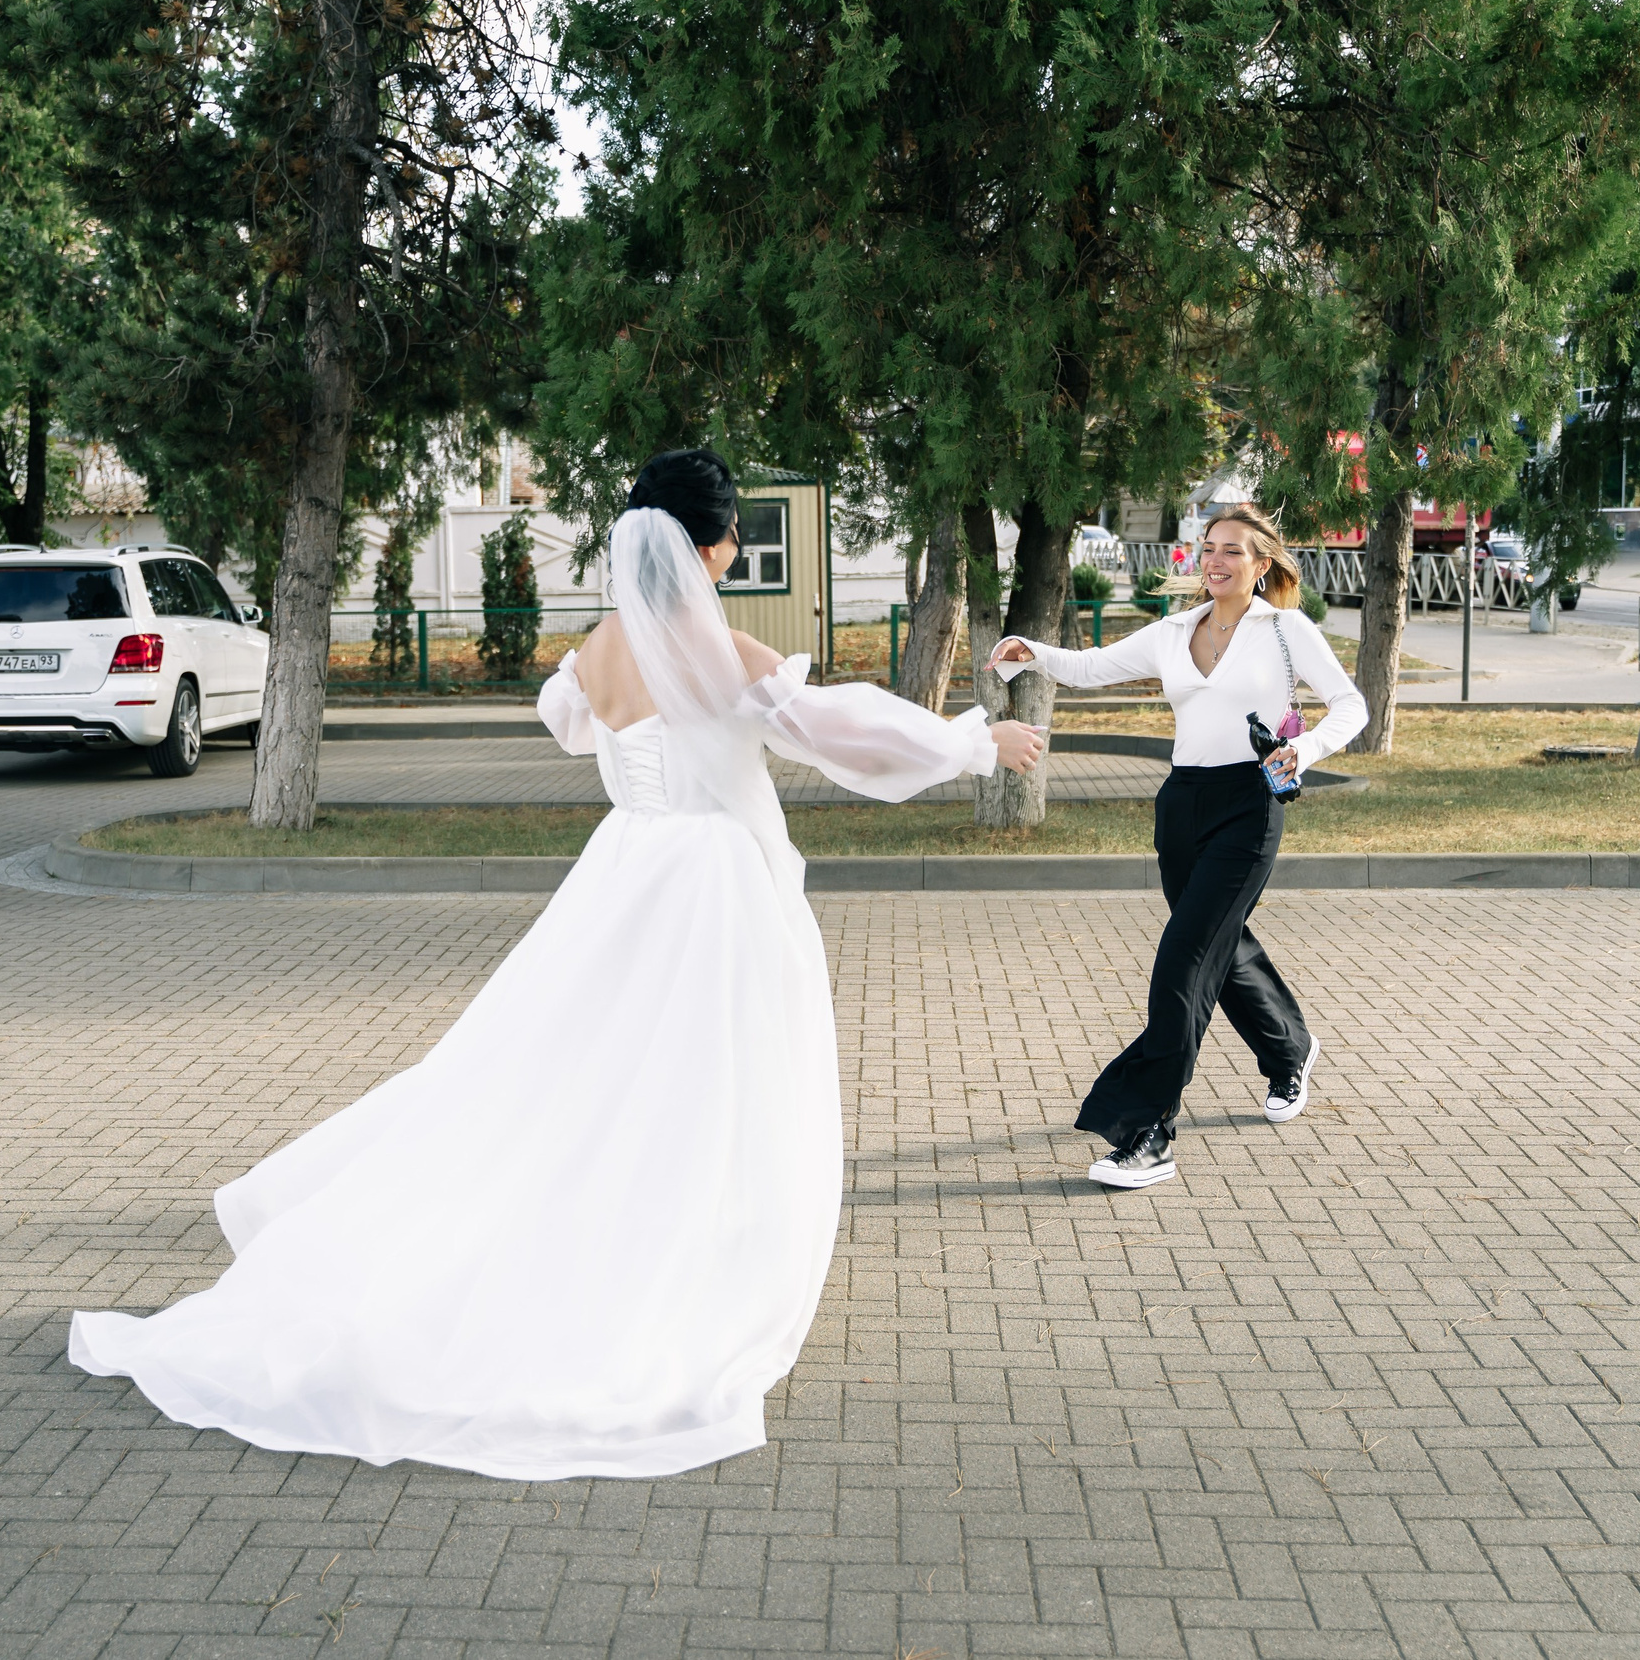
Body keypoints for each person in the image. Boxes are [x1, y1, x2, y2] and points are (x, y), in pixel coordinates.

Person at [68, 449, 1045, 1479]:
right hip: (709, 884)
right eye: (727, 540)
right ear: (707, 545)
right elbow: (836, 732)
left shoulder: (603, 644)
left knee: (576, 1075)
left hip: (624, 868)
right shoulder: (722, 654)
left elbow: (567, 719)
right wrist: (976, 745)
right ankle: (677, 1265)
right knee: (704, 1087)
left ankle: (604, 1240)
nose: (727, 556)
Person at [988, 504, 1364, 1190]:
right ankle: (1291, 1047)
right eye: (1209, 548)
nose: (1216, 560)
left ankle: (1148, 1130)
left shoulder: (1284, 630)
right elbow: (1093, 665)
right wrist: (1032, 652)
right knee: (1221, 944)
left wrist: (1302, 750)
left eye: (1233, 551)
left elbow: (1351, 704)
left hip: (1249, 808)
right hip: (1181, 807)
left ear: (1263, 564)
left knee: (1185, 962)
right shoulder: (1173, 631)